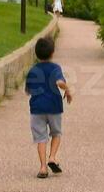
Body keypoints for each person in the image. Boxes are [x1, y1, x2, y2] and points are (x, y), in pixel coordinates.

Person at [25, 36, 72, 179]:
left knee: (41, 138)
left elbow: (28, 91)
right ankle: (52, 157)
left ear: (37, 54)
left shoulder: (33, 70)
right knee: (56, 133)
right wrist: (67, 90)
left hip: (37, 108)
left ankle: (43, 167)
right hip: (54, 107)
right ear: (52, 53)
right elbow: (59, 81)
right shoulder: (55, 68)